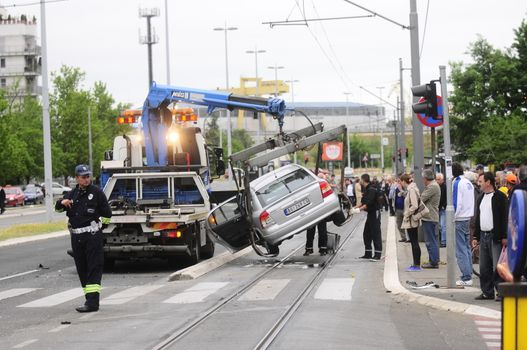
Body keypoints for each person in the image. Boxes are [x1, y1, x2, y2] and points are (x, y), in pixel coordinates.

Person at [55, 165, 112, 313]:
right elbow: (58, 209)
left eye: (88, 176)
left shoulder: (97, 193)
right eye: (83, 177)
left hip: (92, 236)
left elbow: (107, 214)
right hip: (77, 237)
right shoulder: (72, 194)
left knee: (94, 268)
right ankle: (89, 298)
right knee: (82, 269)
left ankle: (92, 303)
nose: (87, 179)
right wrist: (62, 202)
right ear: (77, 178)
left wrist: (99, 228)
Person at [472, 172, 508, 301]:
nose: (478, 183)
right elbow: (478, 218)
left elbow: (505, 218)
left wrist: (504, 235)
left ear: (488, 182)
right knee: (484, 266)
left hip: (495, 236)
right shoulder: (480, 197)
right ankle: (487, 292)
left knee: (497, 266)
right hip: (483, 235)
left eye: (481, 181)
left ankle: (501, 291)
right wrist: (475, 237)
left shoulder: (500, 197)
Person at [452, 162, 475, 286]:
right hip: (467, 217)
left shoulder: (457, 183)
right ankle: (469, 273)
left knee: (461, 249)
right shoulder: (468, 182)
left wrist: (453, 217)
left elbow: (456, 202)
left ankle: (466, 277)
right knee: (466, 248)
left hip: (460, 218)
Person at [355, 173, 382, 260]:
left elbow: (368, 203)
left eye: (360, 179)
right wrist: (354, 208)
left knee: (375, 233)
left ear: (363, 180)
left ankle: (377, 255)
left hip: (374, 213)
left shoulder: (371, 189)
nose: (360, 181)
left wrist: (358, 210)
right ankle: (368, 253)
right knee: (366, 233)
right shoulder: (366, 189)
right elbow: (363, 202)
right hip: (370, 214)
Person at [400, 174, 423, 271]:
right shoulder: (412, 189)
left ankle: (416, 265)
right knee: (414, 241)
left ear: (403, 181)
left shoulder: (412, 190)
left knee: (414, 241)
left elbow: (414, 205)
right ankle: (416, 264)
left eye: (400, 181)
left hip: (411, 219)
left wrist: (406, 213)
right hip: (412, 219)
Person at [420, 169, 441, 268]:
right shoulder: (433, 185)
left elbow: (421, 198)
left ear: (425, 178)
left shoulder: (432, 186)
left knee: (430, 241)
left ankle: (433, 262)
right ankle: (433, 260)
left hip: (430, 217)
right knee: (432, 240)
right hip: (431, 217)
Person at [394, 177, 408, 242]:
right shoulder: (396, 189)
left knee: (407, 224)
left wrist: (402, 191)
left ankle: (408, 238)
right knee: (399, 224)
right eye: (397, 182)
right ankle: (403, 237)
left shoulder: (406, 188)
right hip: (398, 209)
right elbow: (393, 197)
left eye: (400, 181)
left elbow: (407, 196)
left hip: (405, 209)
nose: (399, 183)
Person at [436, 173, 447, 248]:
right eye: (436, 179)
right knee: (440, 225)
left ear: (442, 180)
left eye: (438, 179)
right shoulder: (437, 186)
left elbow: (445, 197)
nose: (437, 181)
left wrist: (443, 206)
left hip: (442, 208)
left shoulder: (445, 187)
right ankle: (441, 240)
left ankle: (443, 241)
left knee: (443, 225)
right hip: (438, 208)